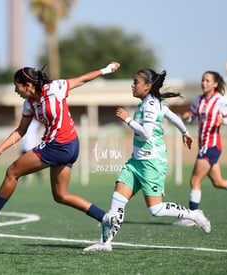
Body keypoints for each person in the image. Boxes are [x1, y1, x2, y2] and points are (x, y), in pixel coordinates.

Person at [0, 62, 120, 240]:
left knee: (12, 172)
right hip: (69, 145)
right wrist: (1, 148)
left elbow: (83, 79)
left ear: (28, 85)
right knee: (61, 195)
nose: (16, 91)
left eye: (17, 87)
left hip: (58, 145)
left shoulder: (55, 87)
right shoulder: (28, 104)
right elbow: (20, 131)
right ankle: (105, 218)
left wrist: (106, 70)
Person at [84, 69, 211, 252]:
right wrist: (185, 132)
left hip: (152, 163)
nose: (132, 85)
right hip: (135, 162)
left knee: (156, 209)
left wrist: (127, 120)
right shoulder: (151, 103)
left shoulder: (151, 105)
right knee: (117, 200)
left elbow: (146, 133)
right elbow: (173, 116)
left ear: (147, 86)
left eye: (136, 82)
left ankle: (194, 215)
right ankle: (105, 243)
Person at [174, 71, 227, 227]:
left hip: (211, 146)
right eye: (202, 80)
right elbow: (193, 115)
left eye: (207, 80)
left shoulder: (221, 100)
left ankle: (192, 217)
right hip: (204, 145)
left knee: (194, 180)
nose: (203, 83)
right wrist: (188, 116)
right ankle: (193, 216)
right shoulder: (199, 99)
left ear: (215, 84)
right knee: (218, 182)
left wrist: (224, 120)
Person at [20, 118, 43, 184]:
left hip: (32, 147)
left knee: (33, 165)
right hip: (24, 147)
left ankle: (40, 177)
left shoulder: (35, 123)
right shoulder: (25, 123)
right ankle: (25, 179)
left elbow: (41, 123)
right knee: (23, 165)